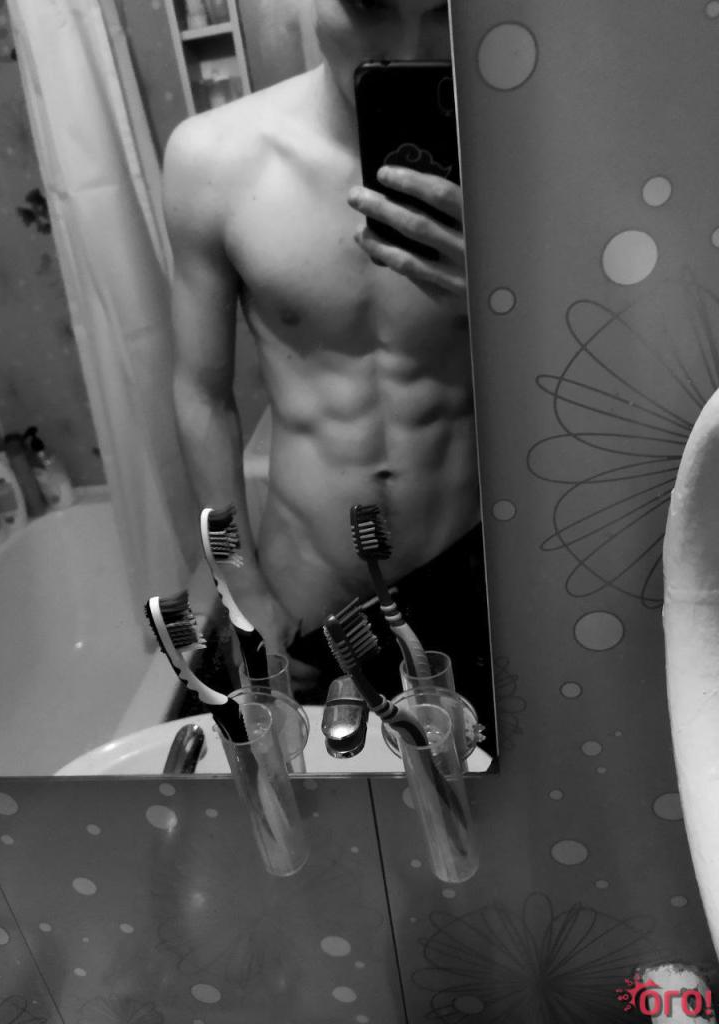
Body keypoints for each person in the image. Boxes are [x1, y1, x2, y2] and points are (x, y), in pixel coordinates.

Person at [163, 0, 494, 746]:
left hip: (470, 571)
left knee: (474, 805)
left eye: (439, 12)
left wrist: (498, 295)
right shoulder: (212, 161)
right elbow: (202, 394)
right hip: (304, 591)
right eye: (370, 7)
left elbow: (584, 373)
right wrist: (237, 582)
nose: (407, 46)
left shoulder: (518, 156)